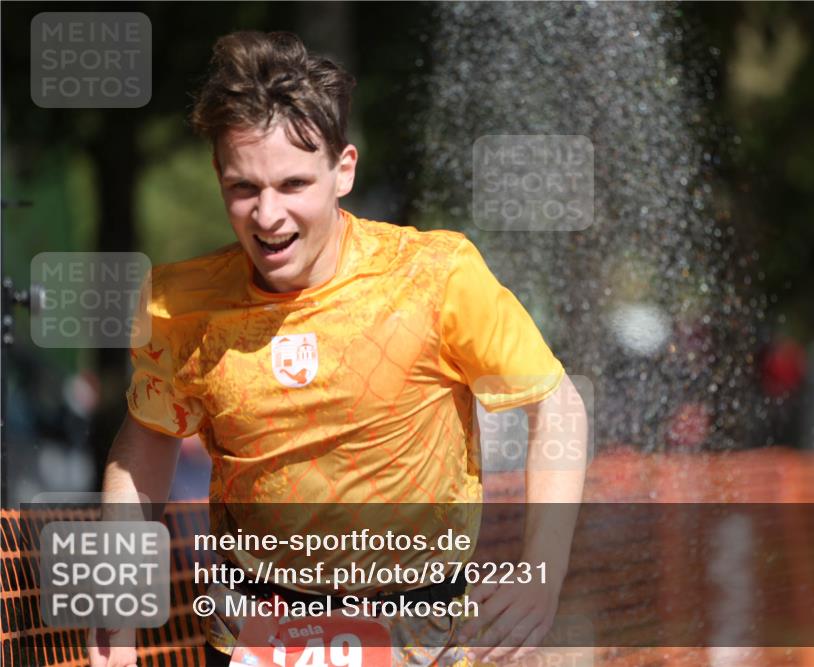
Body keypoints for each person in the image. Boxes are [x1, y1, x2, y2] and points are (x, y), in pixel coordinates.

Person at [89, 30, 587, 667]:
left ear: (342, 170)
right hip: (253, 631)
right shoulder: (178, 302)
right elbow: (145, 448)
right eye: (244, 188)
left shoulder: (436, 275)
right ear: (219, 175)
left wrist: (541, 575)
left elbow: (558, 405)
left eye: (294, 184)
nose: (268, 216)